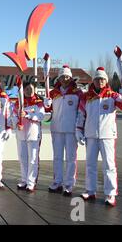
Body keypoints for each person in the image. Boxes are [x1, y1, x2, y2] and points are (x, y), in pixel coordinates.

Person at [76, 67, 122, 207]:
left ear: (105, 81)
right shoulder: (86, 97)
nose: (99, 81)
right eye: (97, 79)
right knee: (90, 165)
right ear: (93, 81)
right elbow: (81, 115)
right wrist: (78, 129)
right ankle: (90, 190)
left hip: (107, 135)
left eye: (102, 79)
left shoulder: (112, 96)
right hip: (91, 135)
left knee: (109, 165)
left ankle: (110, 193)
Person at [44, 65, 83, 196]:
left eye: (67, 76)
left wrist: (79, 128)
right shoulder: (53, 93)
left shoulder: (77, 92)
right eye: (62, 76)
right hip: (56, 129)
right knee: (57, 157)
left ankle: (69, 184)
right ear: (59, 78)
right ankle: (57, 182)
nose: (64, 79)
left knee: (71, 158)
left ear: (70, 77)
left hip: (71, 130)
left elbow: (81, 111)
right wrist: (46, 104)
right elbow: (47, 110)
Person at [14, 81, 45, 192]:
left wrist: (27, 115)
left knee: (32, 159)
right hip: (21, 134)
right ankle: (24, 180)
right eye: (26, 89)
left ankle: (31, 182)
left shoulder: (38, 102)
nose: (29, 91)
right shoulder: (19, 103)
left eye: (31, 89)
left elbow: (41, 116)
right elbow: (14, 116)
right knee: (23, 158)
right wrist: (17, 122)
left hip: (33, 134)